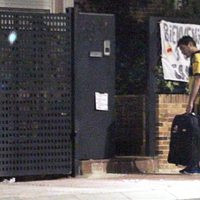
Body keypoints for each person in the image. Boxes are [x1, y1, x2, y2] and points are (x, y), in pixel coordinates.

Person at [177, 35, 200, 174]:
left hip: (199, 101)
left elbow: (198, 80)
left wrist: (190, 102)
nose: (183, 52)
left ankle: (194, 166)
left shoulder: (197, 58)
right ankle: (194, 164)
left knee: (196, 134)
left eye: (183, 48)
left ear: (190, 44)